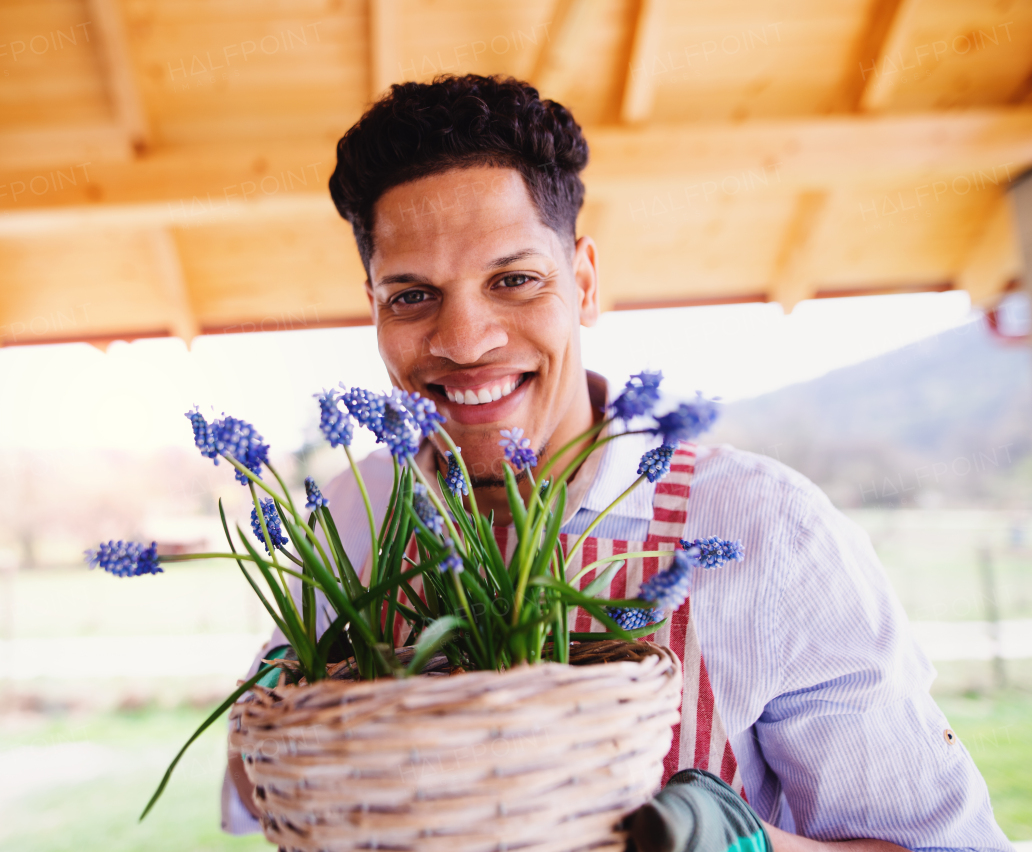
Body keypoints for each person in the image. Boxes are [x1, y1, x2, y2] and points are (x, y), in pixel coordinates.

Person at [222, 74, 1012, 851]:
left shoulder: (767, 529)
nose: (465, 341)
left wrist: (731, 844)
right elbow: (259, 782)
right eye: (411, 295)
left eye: (515, 280)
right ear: (373, 305)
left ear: (585, 283)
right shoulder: (350, 513)